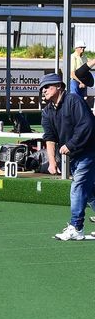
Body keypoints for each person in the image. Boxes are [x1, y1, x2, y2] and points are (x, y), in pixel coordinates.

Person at [39, 73, 95, 240]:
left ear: (59, 87)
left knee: (78, 186)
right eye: (42, 88)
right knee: (90, 191)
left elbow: (87, 125)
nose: (44, 91)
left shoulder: (74, 101)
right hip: (76, 155)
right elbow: (49, 137)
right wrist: (51, 162)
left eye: (47, 87)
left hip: (89, 150)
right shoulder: (47, 111)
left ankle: (76, 227)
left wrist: (70, 145)